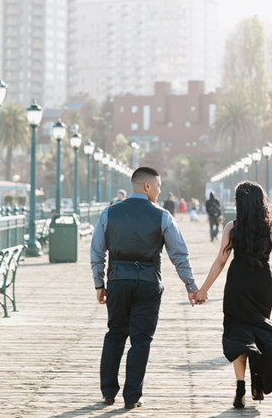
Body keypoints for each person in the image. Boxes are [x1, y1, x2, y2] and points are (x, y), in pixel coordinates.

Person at [90, 167, 199, 408]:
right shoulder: (162, 217)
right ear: (147, 186)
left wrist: (99, 283)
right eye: (158, 186)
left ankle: (108, 392)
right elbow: (178, 254)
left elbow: (97, 251)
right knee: (141, 341)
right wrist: (190, 285)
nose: (160, 191)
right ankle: (132, 398)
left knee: (115, 334)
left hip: (117, 281)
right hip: (148, 283)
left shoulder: (108, 213)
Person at [194, 181, 272, 409]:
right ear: (262, 201)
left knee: (238, 333)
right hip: (262, 285)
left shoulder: (232, 227)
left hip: (237, 284)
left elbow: (221, 259)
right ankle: (257, 383)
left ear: (238, 202)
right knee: (258, 330)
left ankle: (241, 387)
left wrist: (204, 290)